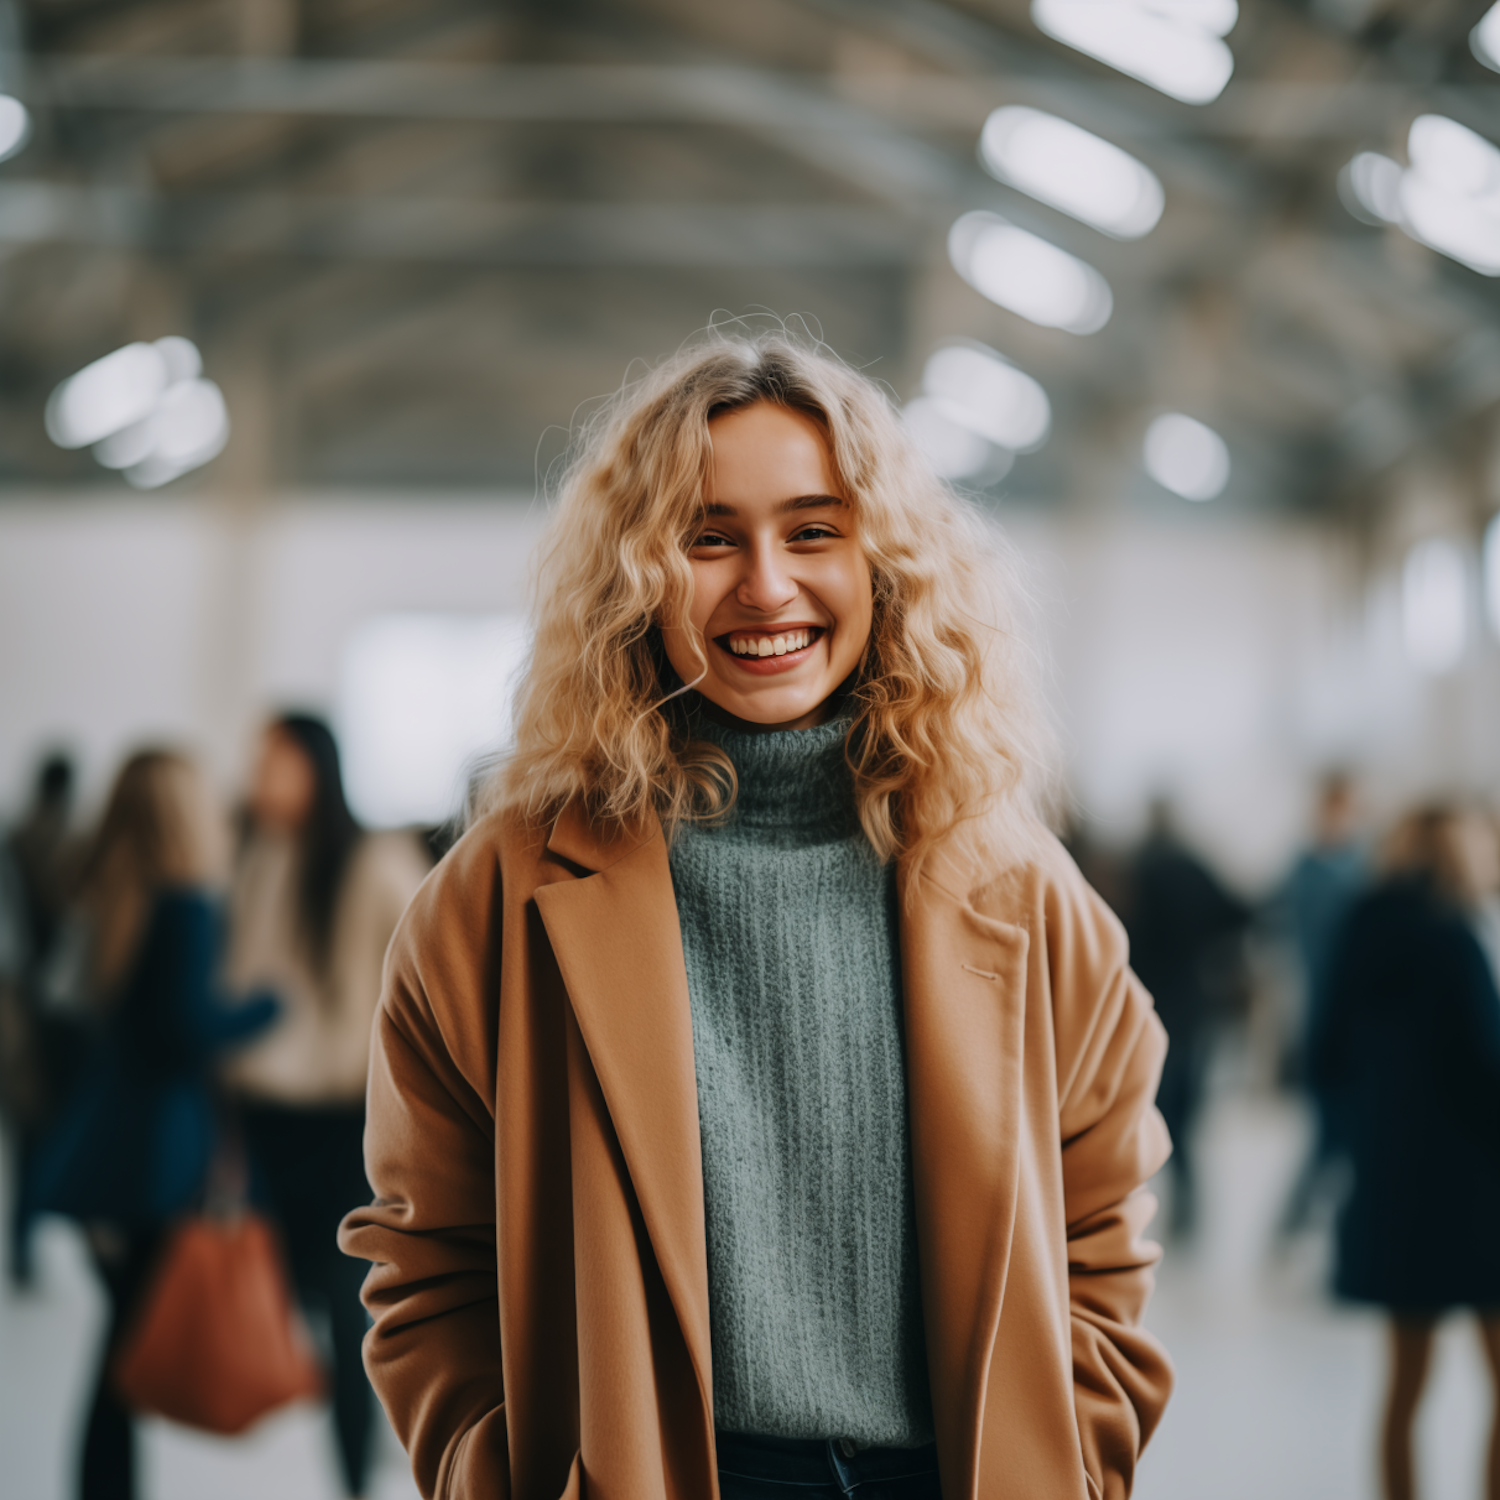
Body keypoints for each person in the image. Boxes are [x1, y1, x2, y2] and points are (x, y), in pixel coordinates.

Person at [339, 333, 1173, 1500]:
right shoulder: (501, 896)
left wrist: (1074, 1449)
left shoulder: (1023, 892)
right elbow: (426, 1253)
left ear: (884, 562)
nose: (767, 584)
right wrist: (501, 1473)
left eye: (814, 531)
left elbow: (1101, 1223)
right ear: (638, 571)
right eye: (708, 536)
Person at [23, 750, 277, 1500]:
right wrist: (268, 1004)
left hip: (101, 1148)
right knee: (122, 1362)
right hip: (158, 1156)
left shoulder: (105, 895)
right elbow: (186, 1030)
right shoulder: (185, 904)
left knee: (118, 1352)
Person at [222, 713, 429, 1500]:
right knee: (286, 1298)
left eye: (273, 761)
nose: (259, 778)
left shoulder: (375, 862)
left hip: (346, 1120)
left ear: (314, 767)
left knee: (349, 1312)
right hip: (264, 1114)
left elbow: (433, 976)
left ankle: (354, 1473)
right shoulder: (255, 857)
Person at [1312, 805, 1500, 1500]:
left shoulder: (1358, 932)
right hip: (1479, 1187)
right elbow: (1485, 1066)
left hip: (1393, 1179)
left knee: (1403, 1383)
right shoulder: (1457, 937)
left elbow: (1324, 1054)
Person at [1123, 796, 1248, 1239]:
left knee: (1149, 1107)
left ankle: (1143, 1205)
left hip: (1142, 1004)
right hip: (1193, 1005)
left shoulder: (1134, 869)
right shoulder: (1193, 866)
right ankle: (1187, 1206)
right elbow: (1239, 914)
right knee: (1184, 1115)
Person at [1273, 771, 1365, 1238]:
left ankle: (1311, 1235)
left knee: (1343, 1141)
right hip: (1324, 1017)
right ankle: (1290, 1233)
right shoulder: (1307, 870)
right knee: (1329, 1138)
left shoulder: (1363, 864)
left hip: (1357, 1020)